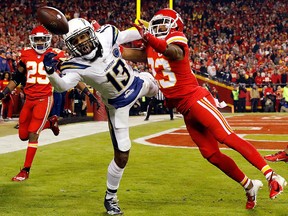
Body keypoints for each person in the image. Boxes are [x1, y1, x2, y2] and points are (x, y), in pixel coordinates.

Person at [122, 8, 286, 210]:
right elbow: (135, 54)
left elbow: (174, 52)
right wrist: (111, 50)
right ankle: (249, 185)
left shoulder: (177, 38)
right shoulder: (152, 46)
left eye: (163, 23)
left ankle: (272, 176)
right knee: (210, 154)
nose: (158, 27)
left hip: (195, 98)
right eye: (156, 23)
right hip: (184, 108)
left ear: (174, 26)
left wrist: (149, 37)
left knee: (226, 136)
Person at [42, 18, 158, 215]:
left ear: (91, 32)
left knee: (158, 87)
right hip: (117, 105)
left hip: (138, 83)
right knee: (122, 155)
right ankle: (110, 198)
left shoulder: (106, 34)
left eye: (84, 36)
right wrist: (51, 71)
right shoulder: (74, 65)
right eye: (76, 41)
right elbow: (61, 86)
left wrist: (151, 32)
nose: (82, 43)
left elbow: (132, 34)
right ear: (70, 45)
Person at [0, 25, 65, 182]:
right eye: (38, 39)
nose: (41, 42)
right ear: (32, 40)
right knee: (23, 135)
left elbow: (69, 72)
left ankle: (25, 170)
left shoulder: (56, 54)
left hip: (44, 98)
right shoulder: (25, 55)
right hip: (29, 99)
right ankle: (50, 123)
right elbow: (17, 78)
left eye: (43, 39)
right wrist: (3, 93)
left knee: (33, 134)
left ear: (48, 40)